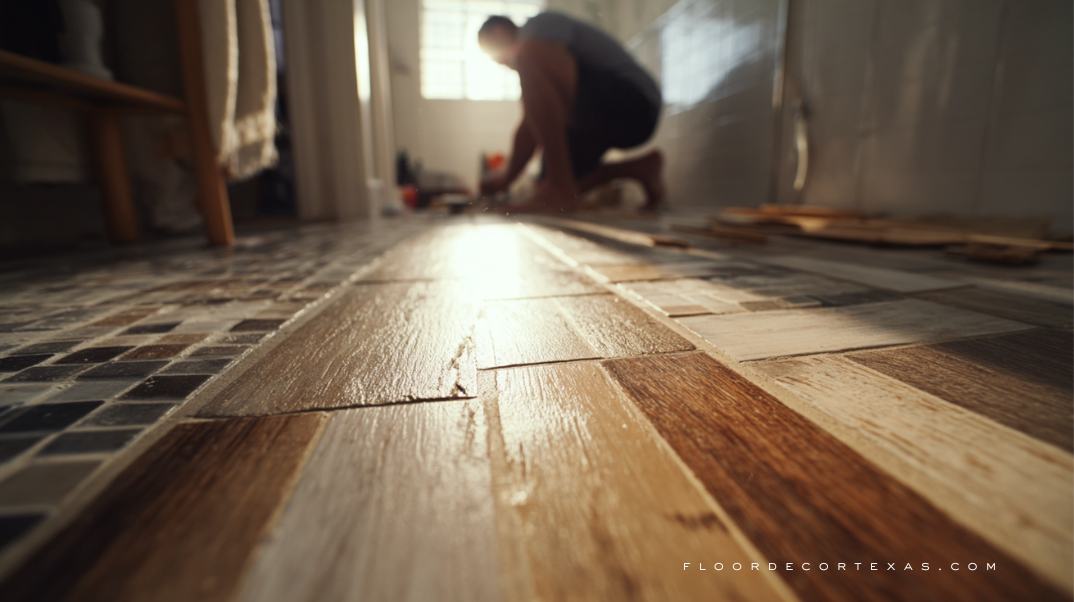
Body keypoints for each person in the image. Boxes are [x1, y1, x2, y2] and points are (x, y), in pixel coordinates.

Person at [478, 12, 665, 212]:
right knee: (545, 183)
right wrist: (505, 181)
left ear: (498, 33)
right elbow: (531, 126)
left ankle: (560, 188)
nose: (504, 66)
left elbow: (532, 125)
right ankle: (640, 168)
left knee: (529, 54)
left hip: (635, 103)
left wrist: (509, 178)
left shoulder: (538, 28)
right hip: (602, 116)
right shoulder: (536, 52)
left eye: (498, 60)